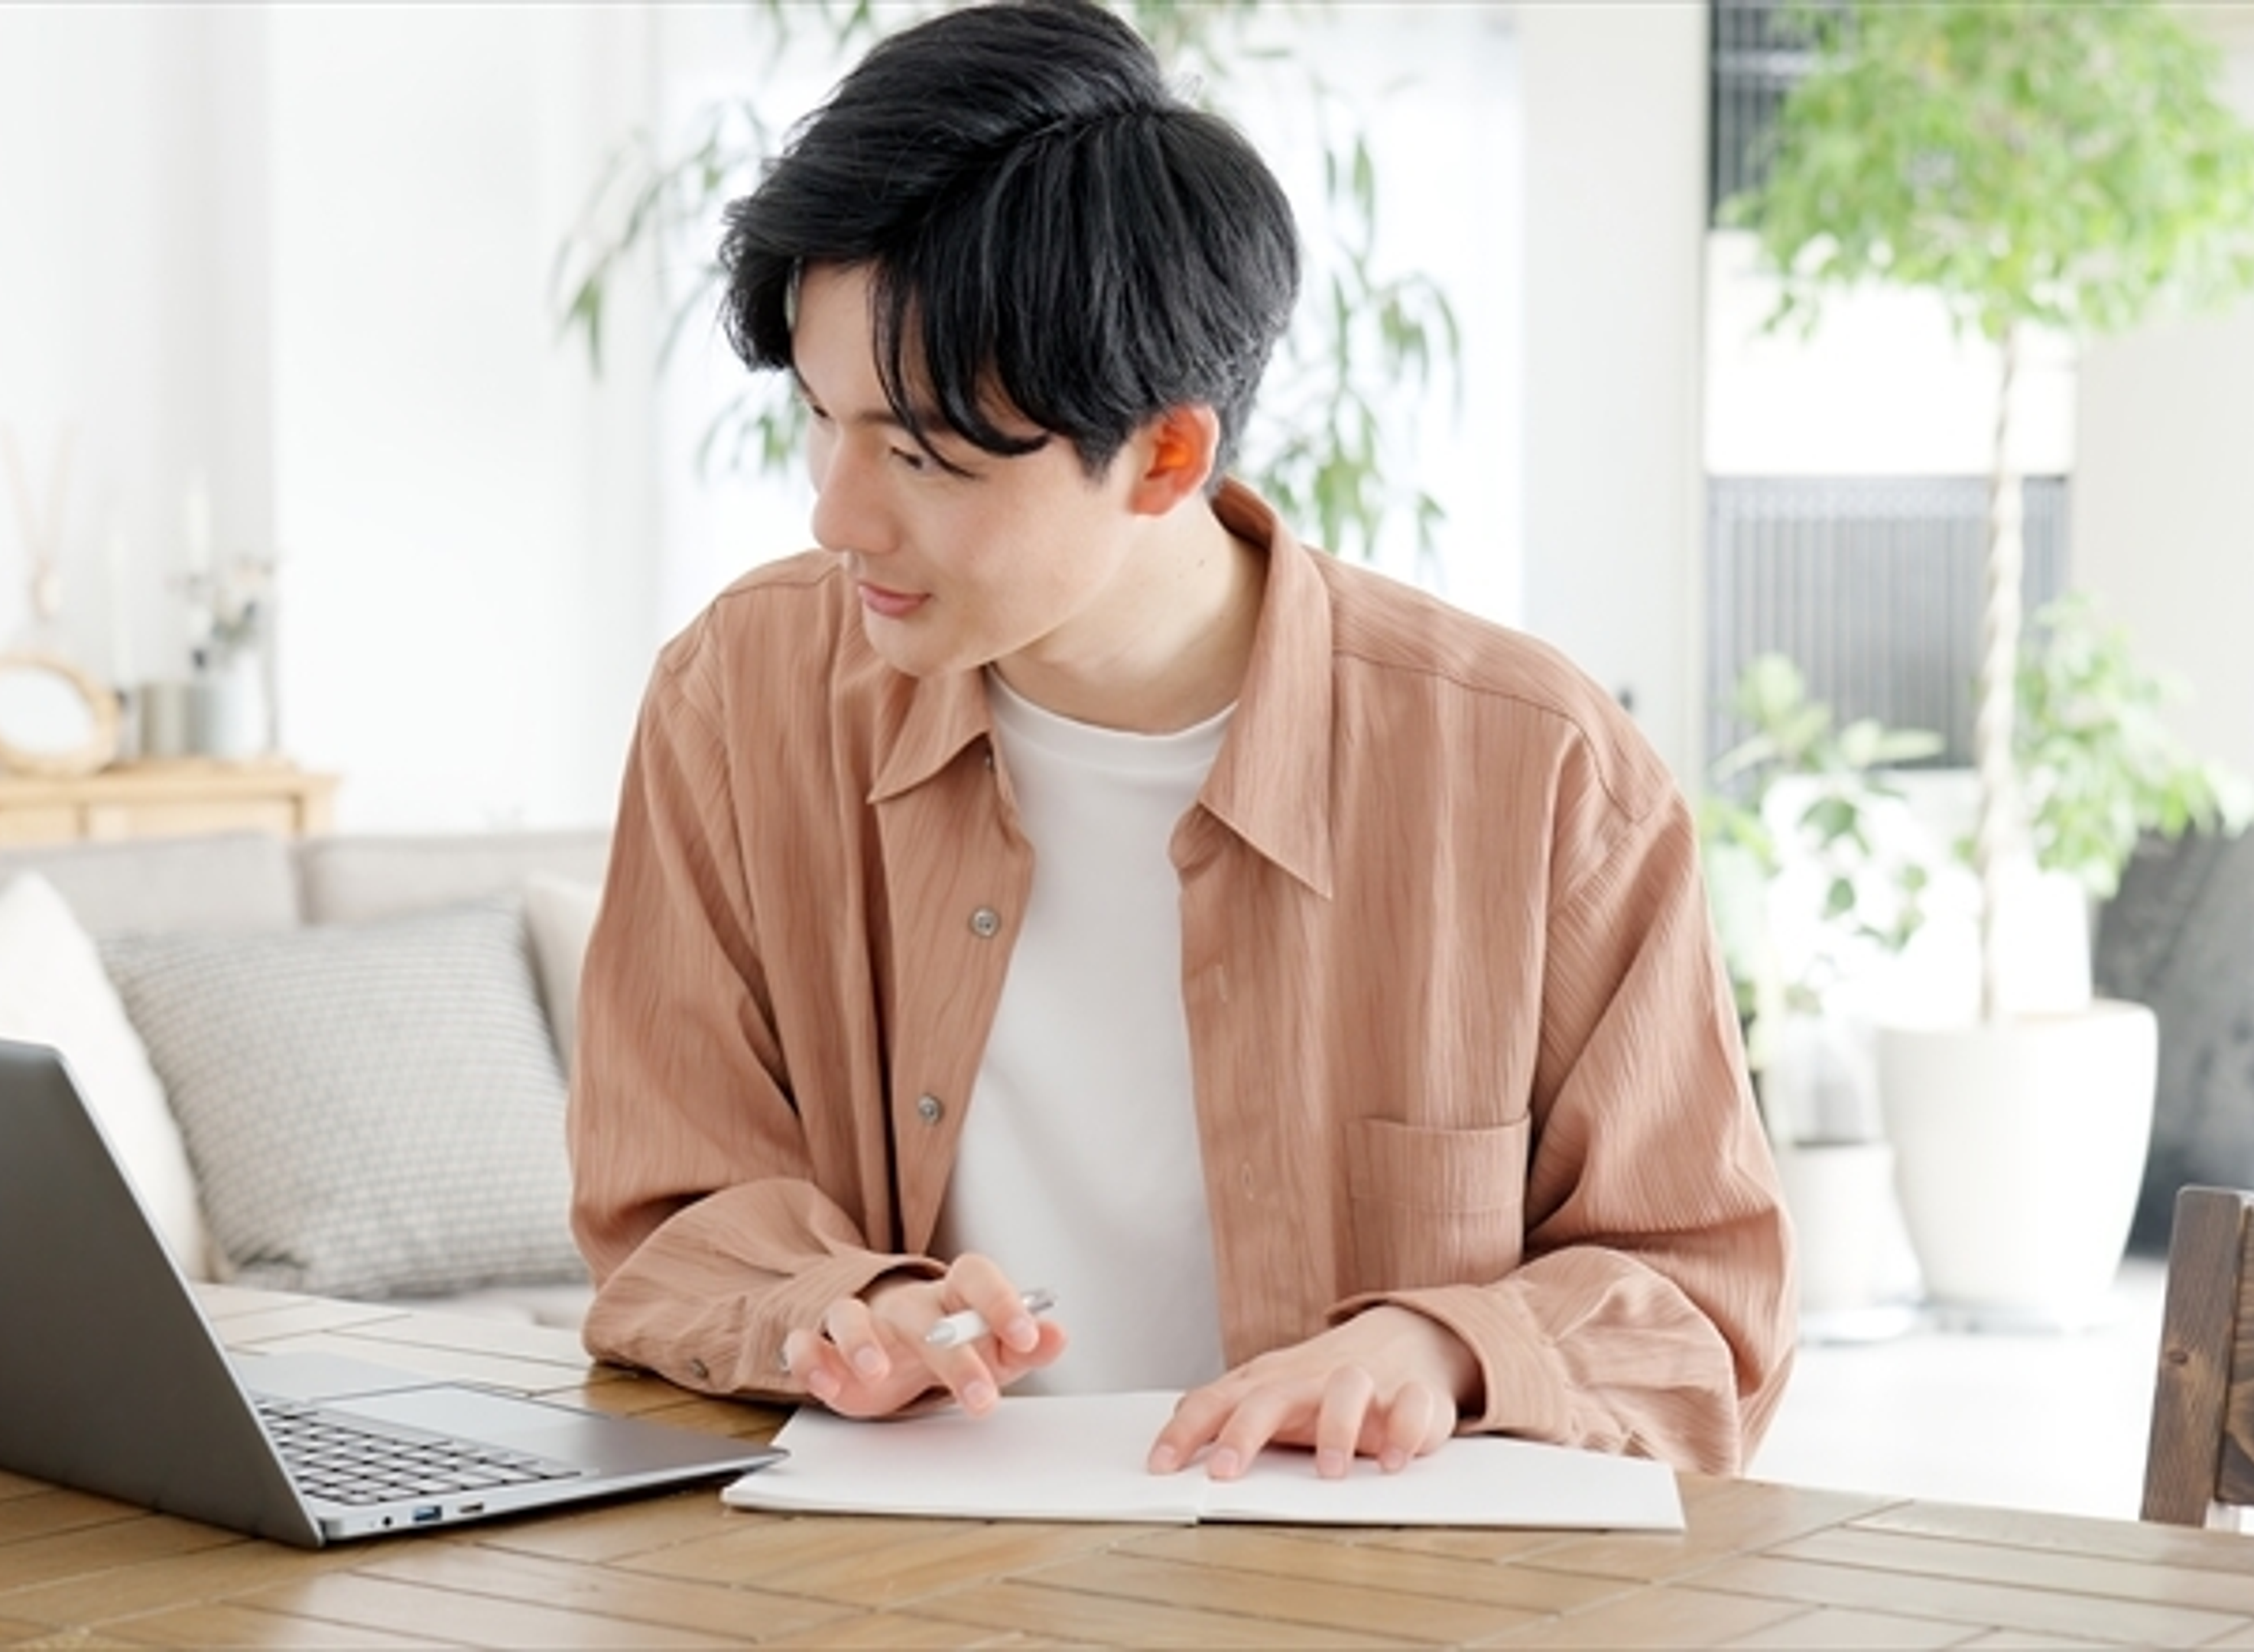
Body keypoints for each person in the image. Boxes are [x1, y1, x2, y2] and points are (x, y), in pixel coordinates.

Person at [567, 0, 1792, 1481]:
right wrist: (852, 1309)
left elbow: (1709, 1312)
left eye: (919, 454)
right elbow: (664, 1206)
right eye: (821, 423)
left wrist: (1447, 1352)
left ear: (1166, 454)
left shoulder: (1533, 774)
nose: (837, 513)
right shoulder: (738, 706)